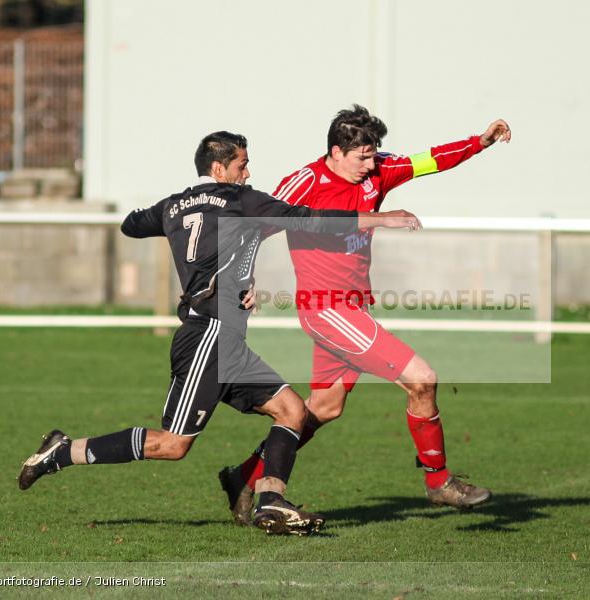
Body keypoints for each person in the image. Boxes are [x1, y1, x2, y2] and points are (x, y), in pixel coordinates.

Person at [17, 130, 421, 536]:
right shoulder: (241, 200)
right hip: (207, 337)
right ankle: (62, 452)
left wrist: (193, 246)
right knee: (173, 445)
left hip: (223, 337)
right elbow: (309, 217)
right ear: (219, 168)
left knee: (293, 412)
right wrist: (381, 218)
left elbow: (130, 224)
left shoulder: (174, 205)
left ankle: (271, 500)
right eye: (242, 164)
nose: (248, 172)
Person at [219, 106, 511, 525]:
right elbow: (257, 226)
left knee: (323, 407)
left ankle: (244, 476)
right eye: (362, 157)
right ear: (335, 152)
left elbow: (427, 161)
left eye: (374, 155)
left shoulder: (377, 171)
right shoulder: (305, 182)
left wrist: (479, 144)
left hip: (353, 308)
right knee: (422, 379)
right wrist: (239, 283)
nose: (371, 165)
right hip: (327, 309)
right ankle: (439, 483)